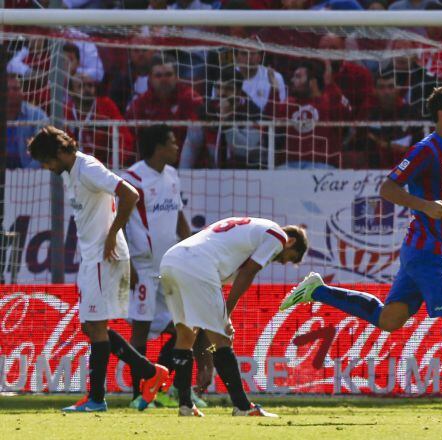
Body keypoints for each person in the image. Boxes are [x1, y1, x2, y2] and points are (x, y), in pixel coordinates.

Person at [279, 83, 442, 419]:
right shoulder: (426, 150)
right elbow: (388, 187)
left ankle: (317, 289)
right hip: (427, 251)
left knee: (389, 319)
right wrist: (423, 204)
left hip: (426, 252)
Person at [27, 126, 169, 412]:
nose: (45, 167)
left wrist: (113, 234)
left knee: (95, 326)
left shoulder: (89, 167)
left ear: (58, 152)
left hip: (105, 256)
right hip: (91, 257)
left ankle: (96, 398)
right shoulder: (70, 173)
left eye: (46, 161)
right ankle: (151, 372)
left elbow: (130, 195)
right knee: (90, 326)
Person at [159, 218, 308, 417]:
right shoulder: (277, 236)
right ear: (290, 242)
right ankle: (243, 407)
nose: (282, 262)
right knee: (222, 340)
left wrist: (221, 318)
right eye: (289, 258)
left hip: (171, 260)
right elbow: (248, 272)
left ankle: (185, 405)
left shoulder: (244, 237)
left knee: (185, 336)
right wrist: (226, 314)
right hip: (196, 264)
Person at [122, 124, 211, 409]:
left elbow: (178, 215)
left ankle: (166, 387)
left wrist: (193, 247)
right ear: (158, 147)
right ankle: (139, 394)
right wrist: (128, 266)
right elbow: (119, 225)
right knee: (141, 332)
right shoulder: (132, 178)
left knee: (181, 329)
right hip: (145, 268)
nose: (177, 148)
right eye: (173, 143)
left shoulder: (172, 176)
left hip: (171, 265)